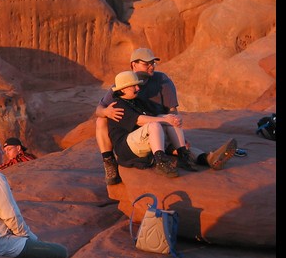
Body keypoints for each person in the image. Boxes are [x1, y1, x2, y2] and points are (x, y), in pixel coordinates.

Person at [106, 71, 237, 178]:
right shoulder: (118, 105)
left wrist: (170, 119)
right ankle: (161, 162)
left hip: (144, 140)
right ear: (123, 89)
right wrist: (164, 121)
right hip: (127, 148)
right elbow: (139, 120)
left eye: (137, 85)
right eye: (133, 86)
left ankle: (185, 155)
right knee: (155, 124)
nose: (138, 88)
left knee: (169, 118)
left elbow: (155, 117)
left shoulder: (136, 101)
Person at [95, 48, 180, 184]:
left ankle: (203, 157)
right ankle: (109, 162)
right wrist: (106, 112)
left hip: (155, 126)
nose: (151, 66)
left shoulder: (161, 80)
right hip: (136, 135)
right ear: (134, 65)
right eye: (147, 64)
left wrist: (173, 128)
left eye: (153, 63)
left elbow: (172, 110)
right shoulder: (123, 86)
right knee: (101, 120)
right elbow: (99, 110)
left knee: (179, 145)